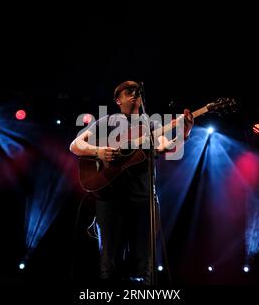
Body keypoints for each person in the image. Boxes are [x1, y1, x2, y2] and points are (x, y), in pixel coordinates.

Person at [69, 80, 193, 285]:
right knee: (109, 263)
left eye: (137, 92)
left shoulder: (151, 125)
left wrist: (185, 132)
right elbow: (75, 145)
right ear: (118, 100)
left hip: (143, 199)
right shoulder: (107, 122)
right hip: (110, 197)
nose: (134, 94)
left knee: (145, 262)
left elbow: (168, 148)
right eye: (128, 92)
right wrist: (99, 151)